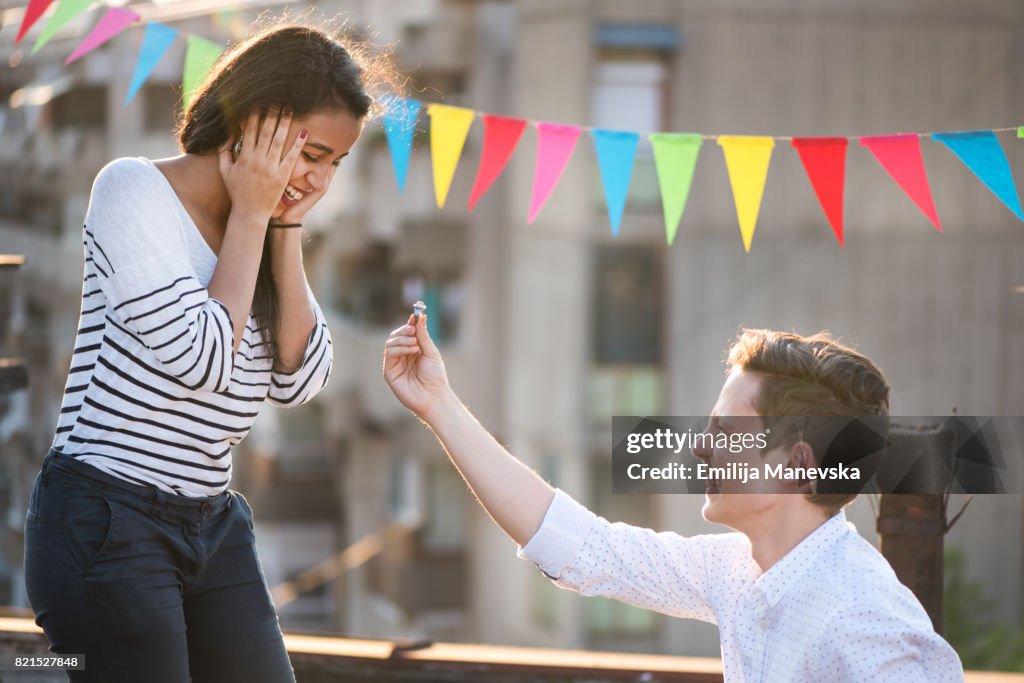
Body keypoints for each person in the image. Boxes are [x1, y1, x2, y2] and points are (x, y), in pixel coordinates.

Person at [24, 22, 387, 683]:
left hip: (212, 522)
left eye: (333, 164)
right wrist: (253, 213)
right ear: (254, 117)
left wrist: (281, 223)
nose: (317, 179)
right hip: (106, 519)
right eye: (311, 153)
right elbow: (203, 361)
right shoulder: (132, 192)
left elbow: (302, 378)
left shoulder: (269, 224)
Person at [383, 317, 966, 682]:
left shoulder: (866, 622)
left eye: (725, 433)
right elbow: (580, 547)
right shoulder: (740, 569)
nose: (702, 449)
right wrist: (439, 405)